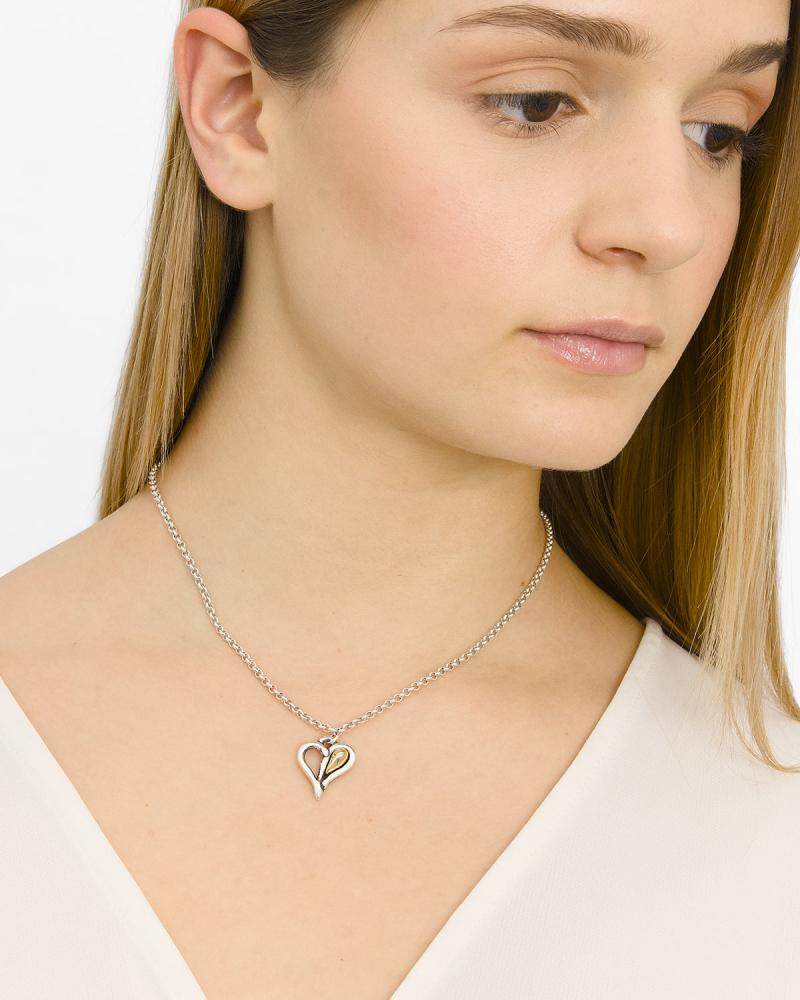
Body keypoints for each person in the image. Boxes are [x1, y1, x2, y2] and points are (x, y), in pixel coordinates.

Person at [1, 0, 799, 996]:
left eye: (716, 131)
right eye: (535, 102)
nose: (666, 224)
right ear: (237, 110)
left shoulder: (769, 829)